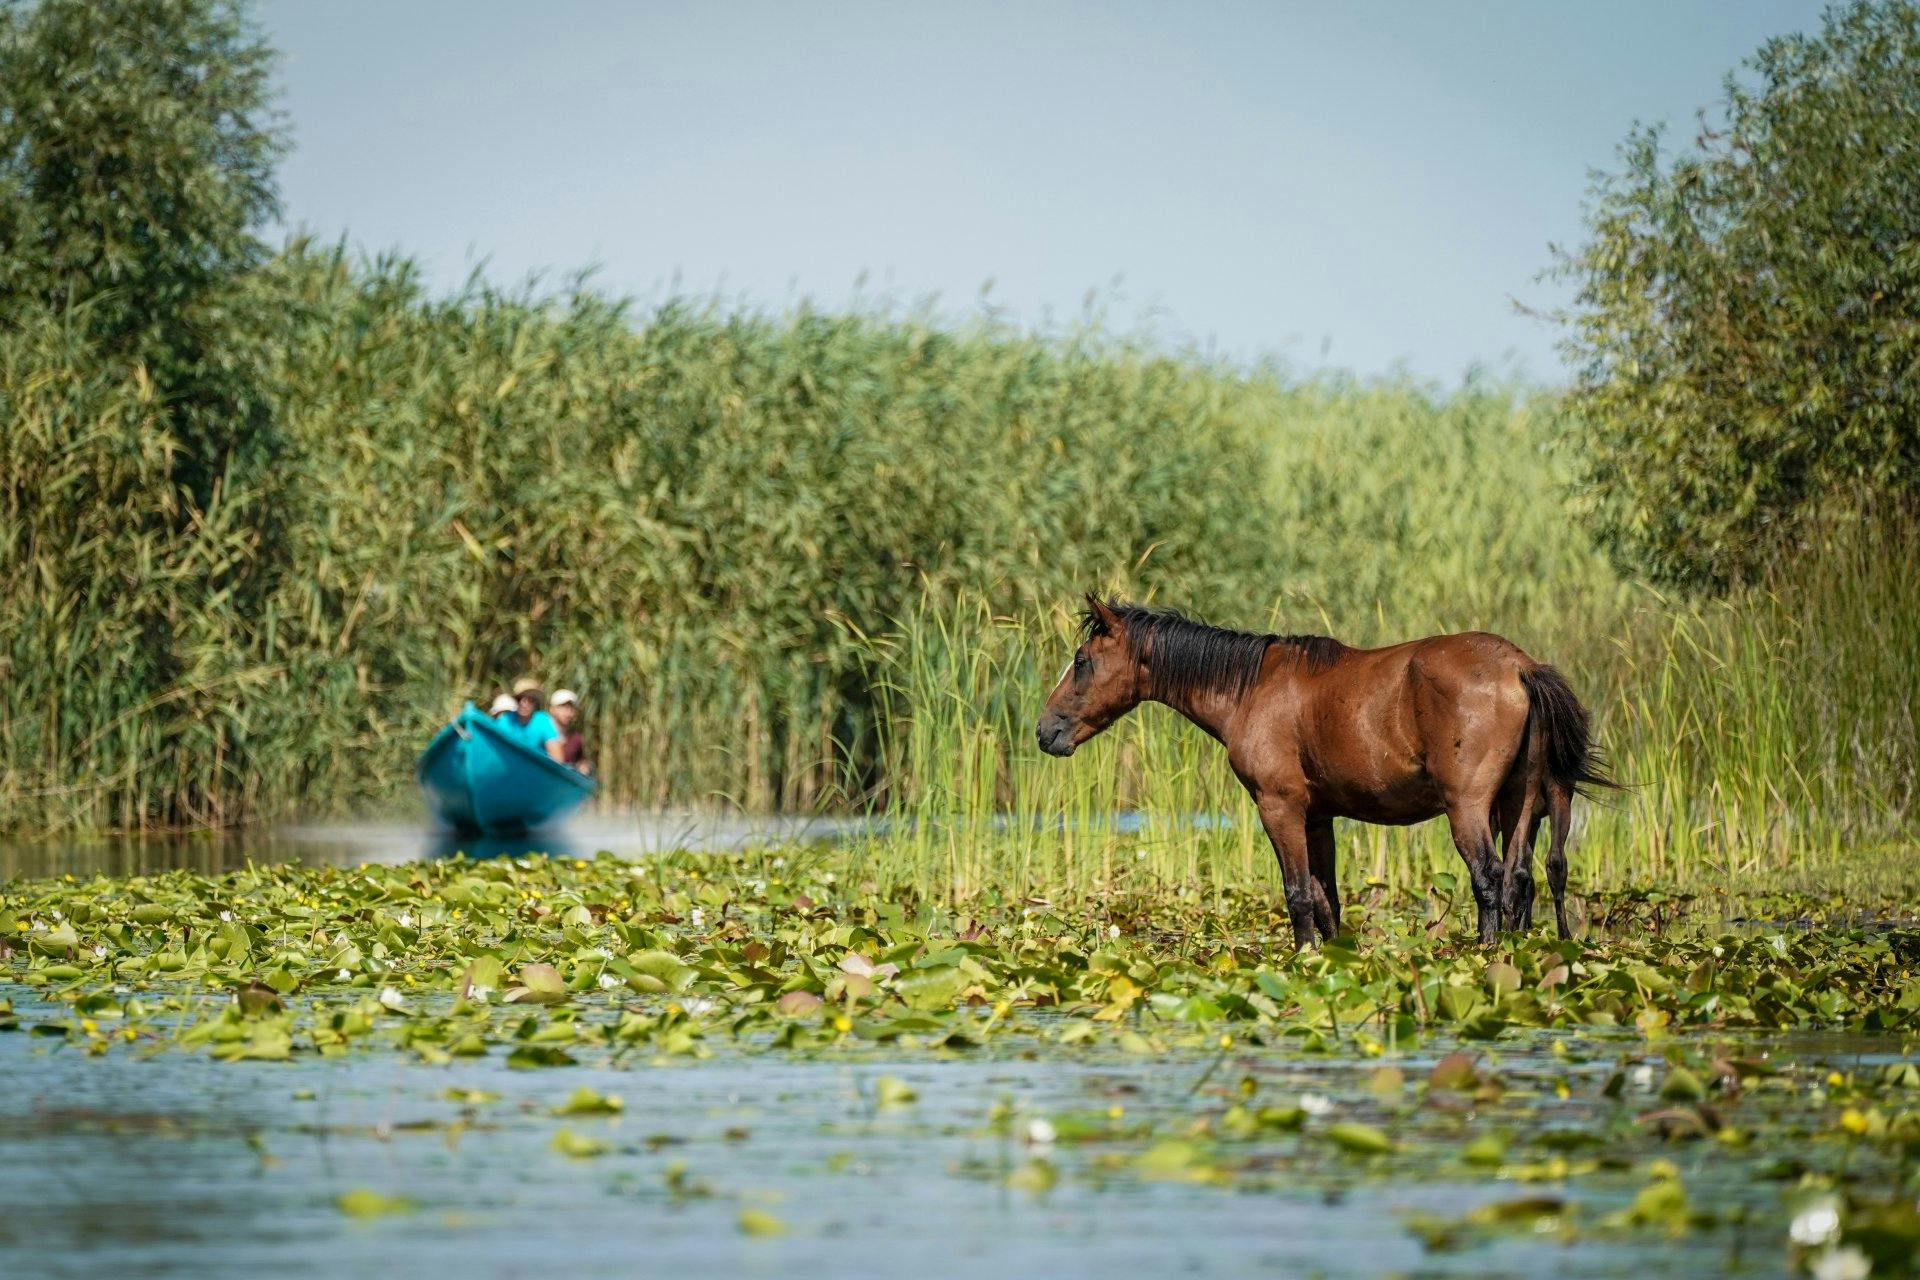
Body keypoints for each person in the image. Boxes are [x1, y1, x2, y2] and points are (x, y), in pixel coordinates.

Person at [497, 677, 566, 762]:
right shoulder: (506, 719)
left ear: (535, 702)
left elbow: (558, 759)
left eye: (530, 700)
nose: (524, 704)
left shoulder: (542, 721)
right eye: (519, 699)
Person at [550, 689, 590, 774]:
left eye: (571, 708)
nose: (568, 712)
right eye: (563, 707)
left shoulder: (576, 739)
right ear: (552, 709)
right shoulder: (540, 732)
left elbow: (581, 761)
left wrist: (583, 767)